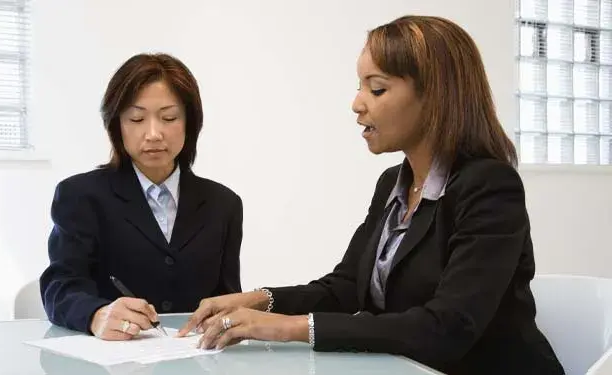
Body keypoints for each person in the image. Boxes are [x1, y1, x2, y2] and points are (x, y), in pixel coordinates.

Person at [178, 16, 564, 375]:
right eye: (359, 86)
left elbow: (448, 327)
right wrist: (259, 300)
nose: (357, 103)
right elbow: (346, 288)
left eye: (376, 88)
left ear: (435, 96)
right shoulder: (392, 184)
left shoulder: (490, 186)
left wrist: (287, 328)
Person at [40, 53, 243, 341]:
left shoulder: (225, 204)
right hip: (112, 359)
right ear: (117, 125)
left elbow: (226, 298)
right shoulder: (80, 196)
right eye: (136, 118)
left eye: (169, 117)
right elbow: (60, 287)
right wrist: (96, 315)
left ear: (190, 122)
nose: (153, 133)